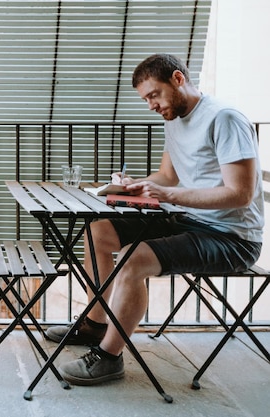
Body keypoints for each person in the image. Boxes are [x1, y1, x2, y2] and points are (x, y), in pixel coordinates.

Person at [46, 53, 264, 385]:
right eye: (146, 99)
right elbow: (167, 176)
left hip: (231, 237)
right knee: (98, 231)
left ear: (178, 79)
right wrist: (134, 186)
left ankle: (109, 357)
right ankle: (96, 323)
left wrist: (168, 195)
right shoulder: (174, 118)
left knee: (134, 258)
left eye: (153, 95)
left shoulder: (224, 119)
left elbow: (240, 194)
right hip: (189, 219)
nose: (151, 105)